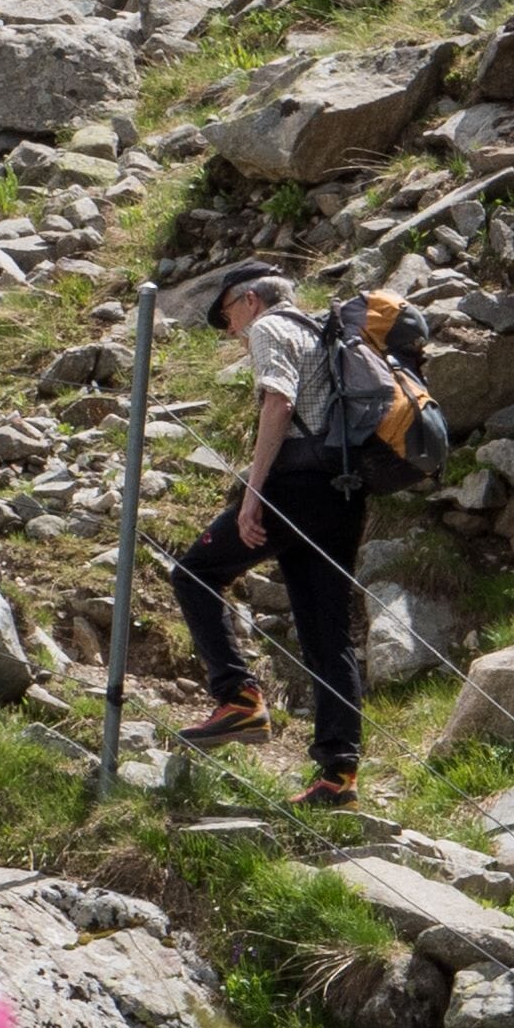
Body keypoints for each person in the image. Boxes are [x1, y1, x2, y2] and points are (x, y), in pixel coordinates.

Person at [163, 263, 374, 807]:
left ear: (251, 300)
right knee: (327, 633)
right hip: (342, 490)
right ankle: (339, 776)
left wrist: (252, 494)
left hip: (294, 485)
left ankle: (238, 698)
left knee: (194, 575)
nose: (232, 329)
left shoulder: (270, 328)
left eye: (228, 314)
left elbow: (278, 402)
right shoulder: (321, 331)